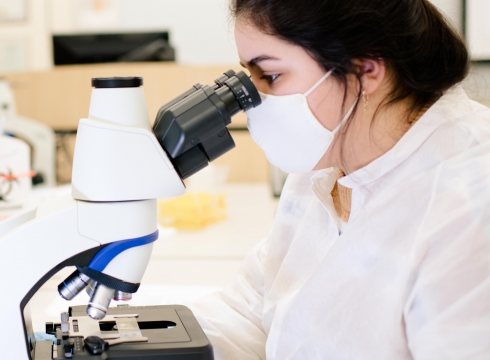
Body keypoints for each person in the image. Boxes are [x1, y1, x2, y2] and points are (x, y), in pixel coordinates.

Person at [190, 0, 490, 358]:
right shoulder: (327, 163)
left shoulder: (469, 204)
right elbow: (255, 309)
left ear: (365, 68)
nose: (254, 101)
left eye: (270, 76)